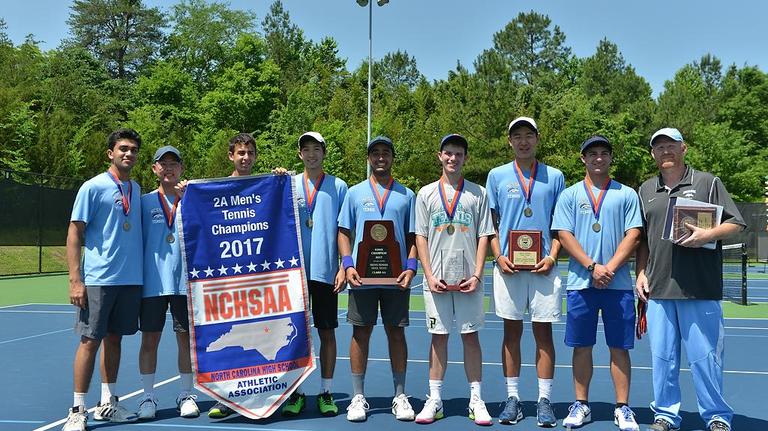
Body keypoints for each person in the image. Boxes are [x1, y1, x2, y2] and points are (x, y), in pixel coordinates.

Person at [635, 128, 745, 431]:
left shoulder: (708, 182)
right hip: (658, 289)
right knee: (662, 360)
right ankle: (666, 415)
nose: (665, 151)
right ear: (653, 154)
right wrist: (641, 272)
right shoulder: (645, 189)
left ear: (683, 148)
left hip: (700, 288)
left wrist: (708, 235)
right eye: (659, 147)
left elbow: (736, 223)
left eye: (671, 145)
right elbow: (642, 239)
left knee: (705, 359)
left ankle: (717, 416)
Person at [551, 136, 642, 431]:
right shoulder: (569, 195)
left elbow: (634, 235)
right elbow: (564, 235)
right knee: (581, 346)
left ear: (611, 158)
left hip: (618, 284)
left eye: (604, 153)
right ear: (583, 159)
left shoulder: (626, 194)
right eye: (592, 154)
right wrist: (592, 267)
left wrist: (609, 269)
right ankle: (582, 404)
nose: (598, 158)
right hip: (581, 283)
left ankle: (622, 407)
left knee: (619, 348)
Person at [63, 128, 144, 431]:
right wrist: (75, 279)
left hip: (129, 279)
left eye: (133, 149)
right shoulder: (93, 187)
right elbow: (75, 232)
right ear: (111, 153)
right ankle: (77, 409)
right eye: (123, 148)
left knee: (115, 339)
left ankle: (108, 403)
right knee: (90, 341)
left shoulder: (136, 188)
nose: (129, 153)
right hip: (99, 279)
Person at [485, 117, 564, 427]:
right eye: (517, 136)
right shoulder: (496, 176)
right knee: (511, 333)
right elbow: (490, 223)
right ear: (509, 141)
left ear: (537, 138)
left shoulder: (555, 177)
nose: (523, 141)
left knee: (544, 334)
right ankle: (513, 398)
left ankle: (544, 400)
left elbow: (561, 224)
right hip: (509, 268)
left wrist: (553, 256)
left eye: (528, 135)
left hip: (545, 267)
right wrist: (498, 255)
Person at [413, 134, 495, 426]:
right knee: (439, 337)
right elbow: (420, 236)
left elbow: (484, 235)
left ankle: (476, 399)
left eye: (458, 154)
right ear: (440, 156)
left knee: (470, 336)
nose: (453, 158)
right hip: (436, 278)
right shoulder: (425, 194)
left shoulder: (478, 193)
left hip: (468, 280)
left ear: (465, 158)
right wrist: (428, 274)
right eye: (448, 153)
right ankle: (435, 399)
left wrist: (477, 274)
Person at [338, 135, 418, 422]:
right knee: (360, 333)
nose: (381, 157)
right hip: (362, 278)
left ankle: (400, 395)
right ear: (369, 158)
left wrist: (411, 267)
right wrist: (348, 265)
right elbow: (344, 232)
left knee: (396, 333)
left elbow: (413, 236)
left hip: (396, 279)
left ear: (393, 157)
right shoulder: (354, 193)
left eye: (386, 152)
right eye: (375, 153)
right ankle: (358, 396)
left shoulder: (407, 195)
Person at [279, 132, 348, 417]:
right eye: (306, 149)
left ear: (324, 153)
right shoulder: (288, 184)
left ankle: (326, 391)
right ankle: (296, 392)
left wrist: (344, 266)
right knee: (293, 335)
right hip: (293, 274)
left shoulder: (339, 186)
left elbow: (345, 230)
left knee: (326, 332)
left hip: (325, 271)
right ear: (299, 154)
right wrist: (275, 180)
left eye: (316, 149)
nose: (311, 154)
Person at [135, 146, 199, 420]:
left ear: (181, 168)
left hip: (185, 283)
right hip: (153, 284)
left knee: (185, 340)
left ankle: (186, 394)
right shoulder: (143, 203)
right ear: (155, 169)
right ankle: (148, 397)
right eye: (164, 163)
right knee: (150, 340)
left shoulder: (193, 200)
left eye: (174, 163)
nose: (169, 168)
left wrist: (191, 199)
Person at [207, 132, 259, 419]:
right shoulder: (217, 188)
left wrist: (280, 179)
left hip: (259, 279)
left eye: (250, 153)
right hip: (227, 280)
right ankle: (226, 397)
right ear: (231, 156)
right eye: (240, 153)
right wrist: (189, 192)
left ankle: (260, 394)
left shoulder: (265, 185)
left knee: (257, 339)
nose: (245, 158)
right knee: (228, 339)